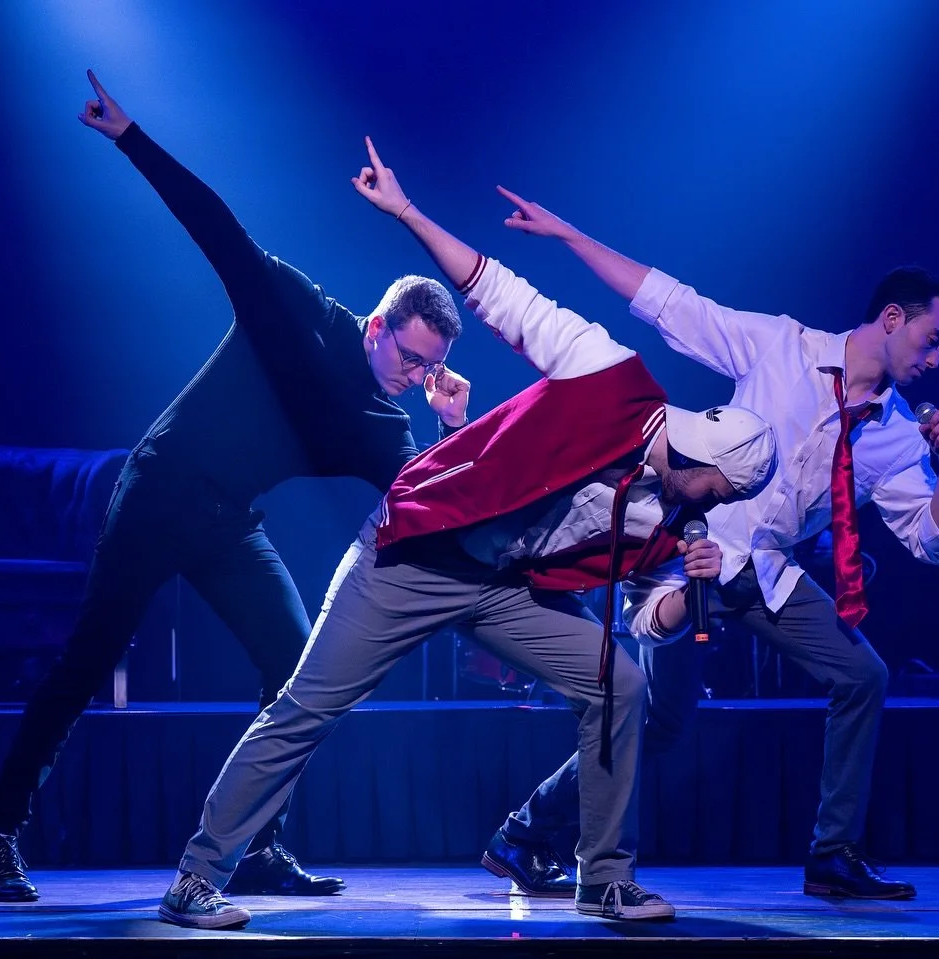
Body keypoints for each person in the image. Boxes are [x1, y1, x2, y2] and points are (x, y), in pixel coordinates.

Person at [152, 138, 777, 930]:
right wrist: (406, 210)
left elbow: (650, 622)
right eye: (720, 489)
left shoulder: (679, 517)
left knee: (621, 680)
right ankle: (195, 876)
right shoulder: (610, 373)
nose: (716, 504)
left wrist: (690, 584)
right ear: (704, 453)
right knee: (307, 705)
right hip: (415, 551)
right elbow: (498, 292)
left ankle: (605, 877)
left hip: (505, 590)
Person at [0, 72, 472, 903]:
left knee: (295, 661)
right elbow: (216, 225)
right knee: (88, 662)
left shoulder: (387, 422)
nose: (415, 377)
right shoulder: (299, 310)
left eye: (430, 367)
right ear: (377, 327)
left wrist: (455, 424)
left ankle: (257, 844)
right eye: (408, 357)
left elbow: (434, 500)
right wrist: (128, 135)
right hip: (161, 489)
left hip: (228, 520)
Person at [476, 188, 939, 901]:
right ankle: (527, 831)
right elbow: (668, 301)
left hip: (766, 572)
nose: (934, 360)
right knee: (662, 719)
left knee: (863, 675)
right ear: (893, 318)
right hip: (689, 553)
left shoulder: (895, 432)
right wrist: (566, 235)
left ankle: (833, 855)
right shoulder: (782, 345)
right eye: (932, 339)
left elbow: (931, 541)